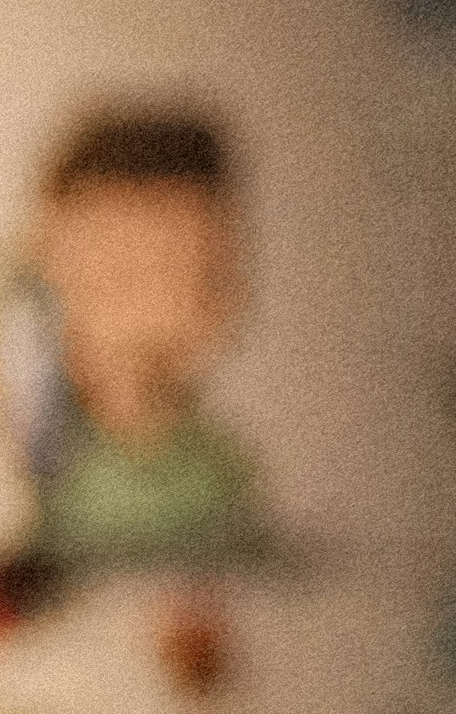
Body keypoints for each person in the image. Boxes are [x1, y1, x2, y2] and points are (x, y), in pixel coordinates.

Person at [17, 107, 268, 568]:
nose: (130, 298)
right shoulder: (34, 439)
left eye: (168, 269)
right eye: (113, 272)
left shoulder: (216, 472)